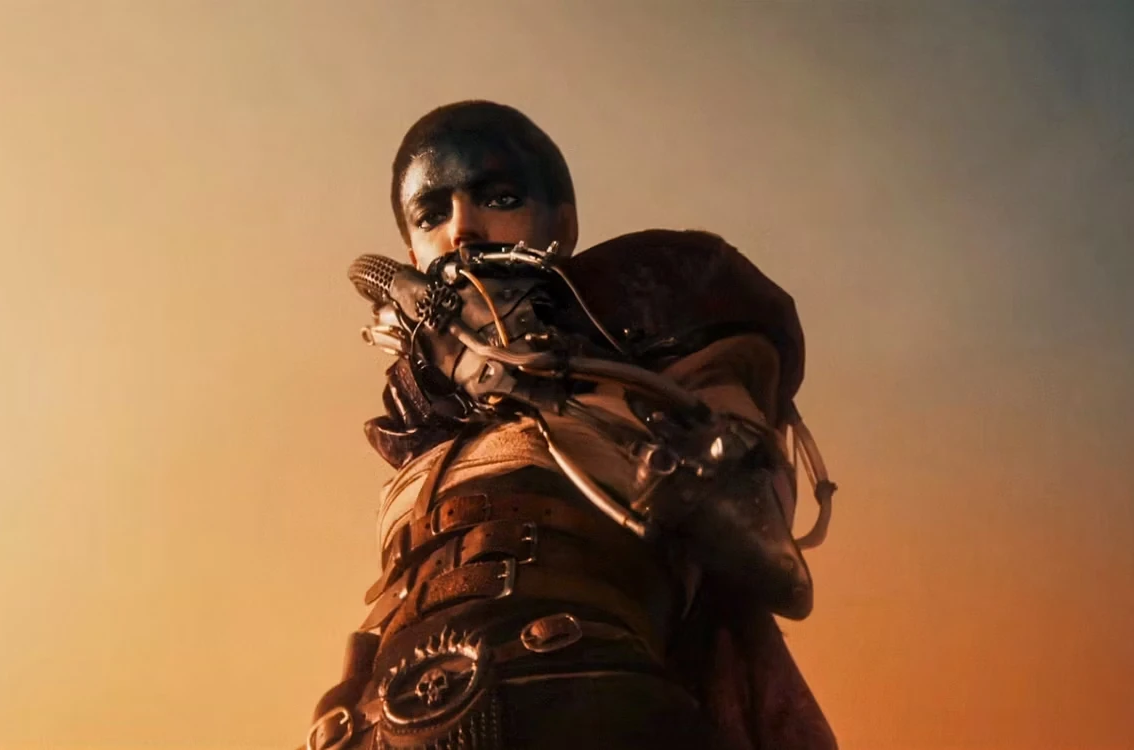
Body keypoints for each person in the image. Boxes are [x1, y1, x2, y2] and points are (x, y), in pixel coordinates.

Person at [305, 101, 838, 750]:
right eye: (432, 215)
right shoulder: (424, 436)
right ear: (410, 252)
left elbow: (763, 544)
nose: (462, 228)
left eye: (499, 198)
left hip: (595, 707)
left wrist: (522, 375)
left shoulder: (650, 337)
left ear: (561, 224)